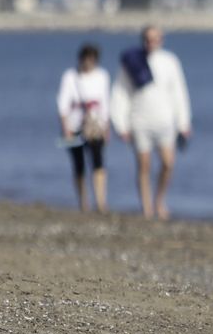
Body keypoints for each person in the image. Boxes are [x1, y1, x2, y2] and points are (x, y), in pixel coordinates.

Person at [110, 25, 192, 220]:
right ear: (142, 39)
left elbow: (179, 92)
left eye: (155, 38)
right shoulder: (132, 60)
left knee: (168, 163)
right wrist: (120, 124)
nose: (151, 42)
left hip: (165, 121)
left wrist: (184, 122)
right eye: (148, 38)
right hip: (139, 120)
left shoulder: (170, 61)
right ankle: (147, 209)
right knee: (144, 166)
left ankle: (159, 201)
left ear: (161, 39)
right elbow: (120, 93)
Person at [56, 43, 111, 213]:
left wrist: (106, 126)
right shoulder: (70, 76)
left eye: (91, 59)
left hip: (95, 126)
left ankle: (101, 202)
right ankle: (83, 203)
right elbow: (62, 103)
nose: (88, 62)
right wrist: (65, 127)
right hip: (73, 126)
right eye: (85, 59)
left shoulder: (102, 76)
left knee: (98, 162)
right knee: (78, 164)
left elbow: (105, 102)